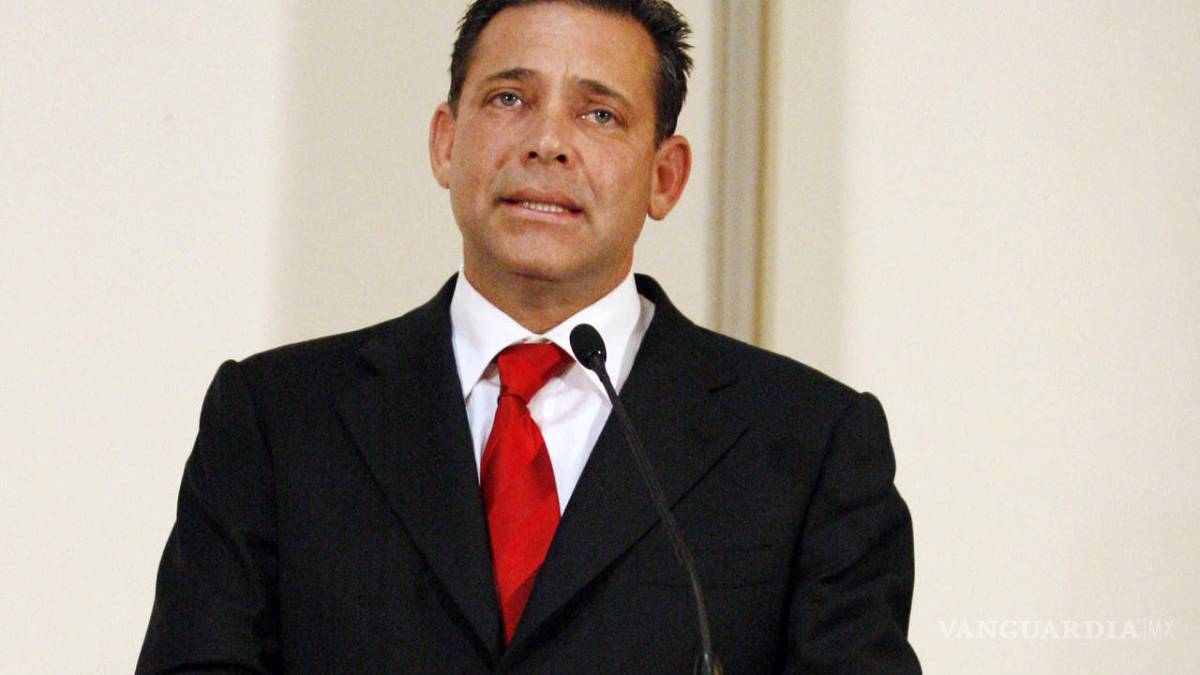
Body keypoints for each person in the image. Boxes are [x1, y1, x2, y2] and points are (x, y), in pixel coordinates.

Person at [136, 1, 921, 672]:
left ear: (665, 176)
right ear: (446, 143)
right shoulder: (276, 418)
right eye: (509, 98)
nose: (548, 141)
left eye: (599, 113)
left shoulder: (808, 442)